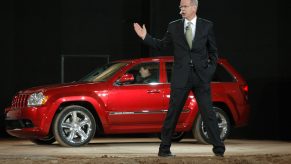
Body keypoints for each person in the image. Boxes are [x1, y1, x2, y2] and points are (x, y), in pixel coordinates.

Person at [133, 0, 225, 158]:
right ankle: (164, 150)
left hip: (201, 77)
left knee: (208, 113)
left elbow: (213, 53)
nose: (181, 10)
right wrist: (145, 37)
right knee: (173, 113)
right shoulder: (174, 26)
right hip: (181, 77)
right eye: (180, 7)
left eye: (185, 7)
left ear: (194, 8)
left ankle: (219, 150)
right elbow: (161, 45)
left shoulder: (207, 25)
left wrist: (209, 72)